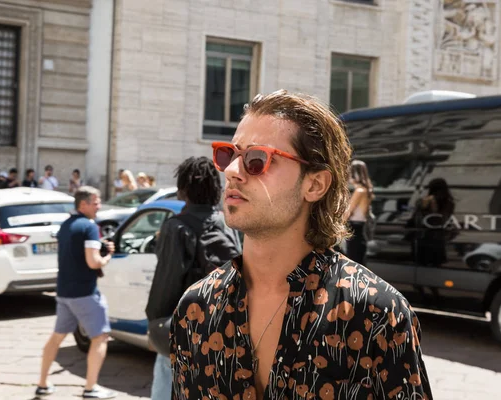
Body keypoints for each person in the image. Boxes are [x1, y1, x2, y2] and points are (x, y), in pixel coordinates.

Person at [170, 90, 432, 399]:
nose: (231, 171)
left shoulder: (374, 312)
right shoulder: (196, 308)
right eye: (229, 154)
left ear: (315, 184)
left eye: (256, 159)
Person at [146, 157, 241, 400]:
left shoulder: (176, 227)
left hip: (184, 329)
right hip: (222, 328)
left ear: (183, 190)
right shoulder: (227, 223)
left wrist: (155, 324)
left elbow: (166, 283)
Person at [36, 186, 117, 399]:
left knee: (56, 337)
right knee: (100, 337)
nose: (99, 205)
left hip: (64, 292)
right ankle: (91, 387)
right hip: (85, 292)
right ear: (84, 204)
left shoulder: (66, 225)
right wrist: (107, 257)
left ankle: (43, 383)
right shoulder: (90, 227)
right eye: (96, 201)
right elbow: (93, 262)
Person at [413, 177, 455, 267]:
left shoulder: (426, 200)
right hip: (439, 235)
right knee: (436, 264)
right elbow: (446, 217)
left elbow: (425, 215)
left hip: (426, 234)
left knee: (423, 263)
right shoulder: (449, 201)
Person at [344, 159, 374, 265]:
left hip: (355, 230)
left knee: (354, 264)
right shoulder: (366, 190)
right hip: (360, 230)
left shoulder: (360, 191)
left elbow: (346, 213)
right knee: (359, 264)